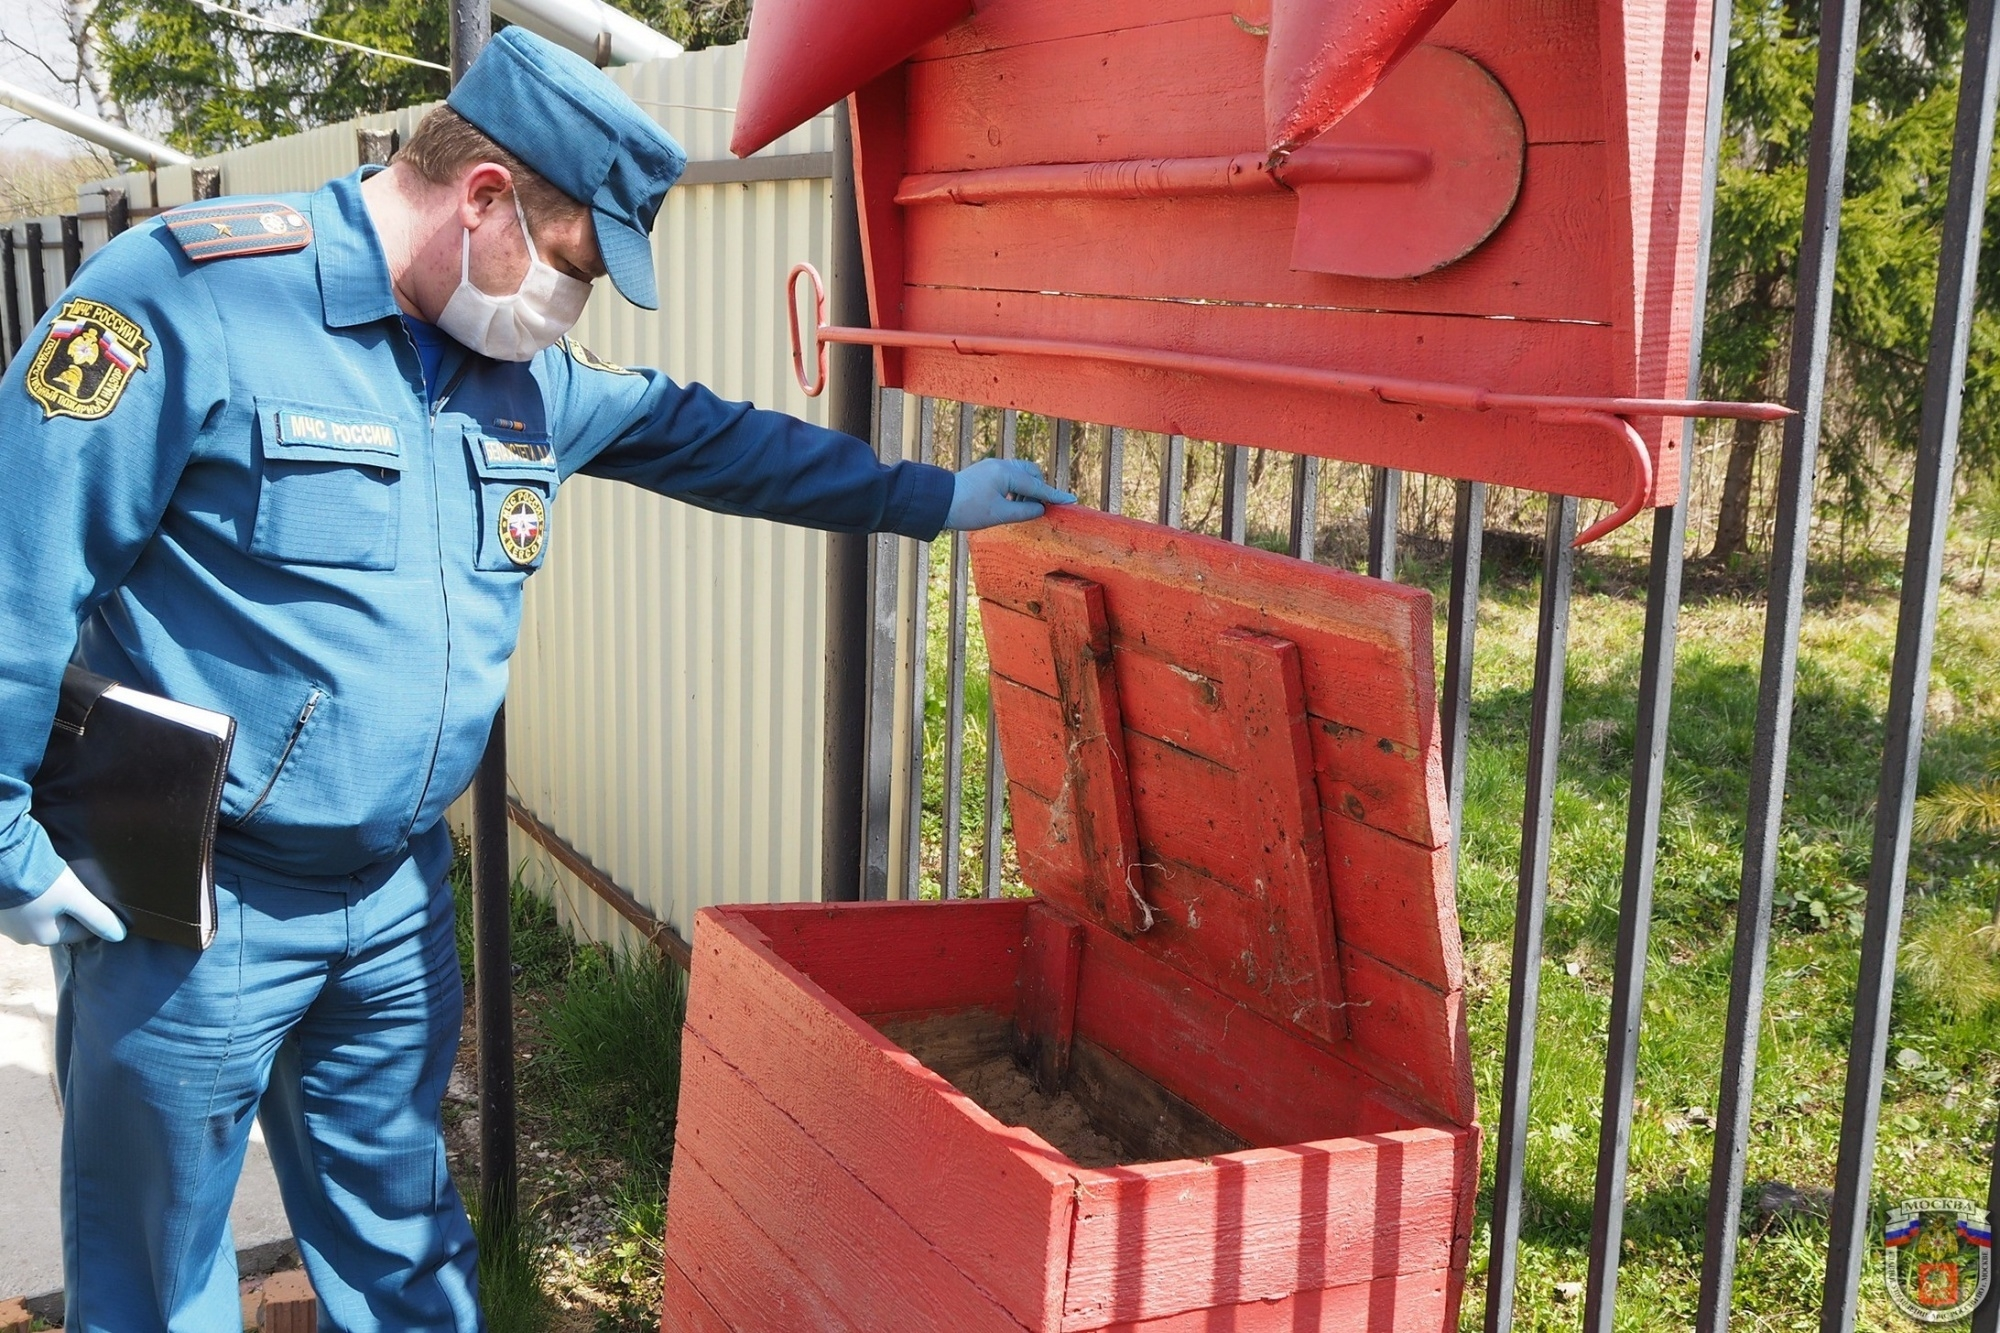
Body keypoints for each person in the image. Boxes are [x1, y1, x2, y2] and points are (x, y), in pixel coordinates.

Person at [0, 26, 1072, 1332]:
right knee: (157, 1275)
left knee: (407, 1252)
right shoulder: (192, 301)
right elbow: (18, 562)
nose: (570, 308)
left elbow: (707, 439)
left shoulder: (522, 376)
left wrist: (928, 498)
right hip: (192, 898)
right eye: (570, 269)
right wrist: (9, 839)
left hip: (393, 898)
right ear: (487, 197)